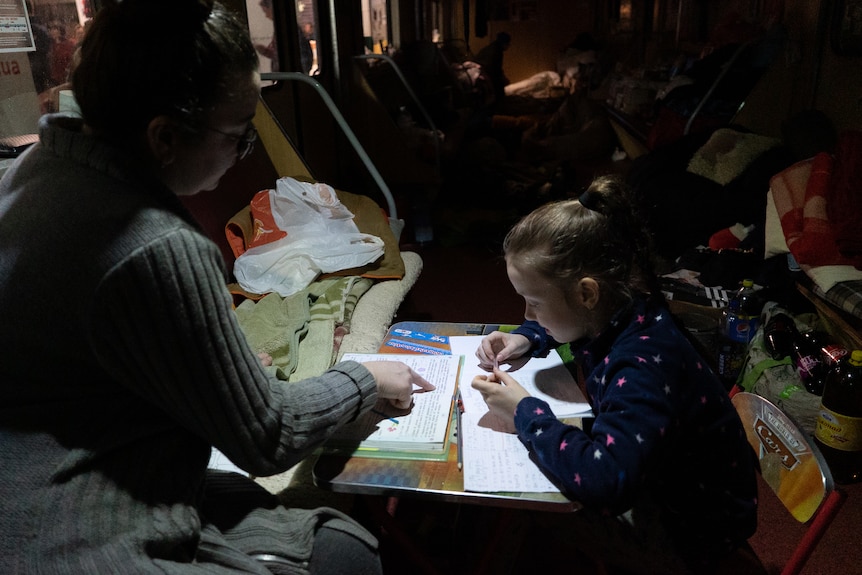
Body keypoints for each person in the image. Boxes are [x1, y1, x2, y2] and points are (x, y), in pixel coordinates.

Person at [0, 1, 433, 573]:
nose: (244, 151)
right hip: (77, 534)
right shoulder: (158, 245)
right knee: (346, 554)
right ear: (164, 136)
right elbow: (267, 437)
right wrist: (365, 376)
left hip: (37, 481)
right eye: (239, 135)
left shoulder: (30, 175)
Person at [472, 176, 759, 574]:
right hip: (674, 486)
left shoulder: (641, 363)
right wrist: (527, 338)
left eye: (534, 302)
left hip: (691, 533)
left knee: (525, 502)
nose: (526, 314)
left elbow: (606, 482)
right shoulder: (622, 305)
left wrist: (525, 412)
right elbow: (575, 323)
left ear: (587, 293)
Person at [474, 31, 512, 105]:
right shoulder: (495, 51)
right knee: (498, 85)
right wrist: (502, 79)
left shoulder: (493, 48)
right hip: (484, 73)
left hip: (483, 72)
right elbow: (495, 70)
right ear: (504, 43)